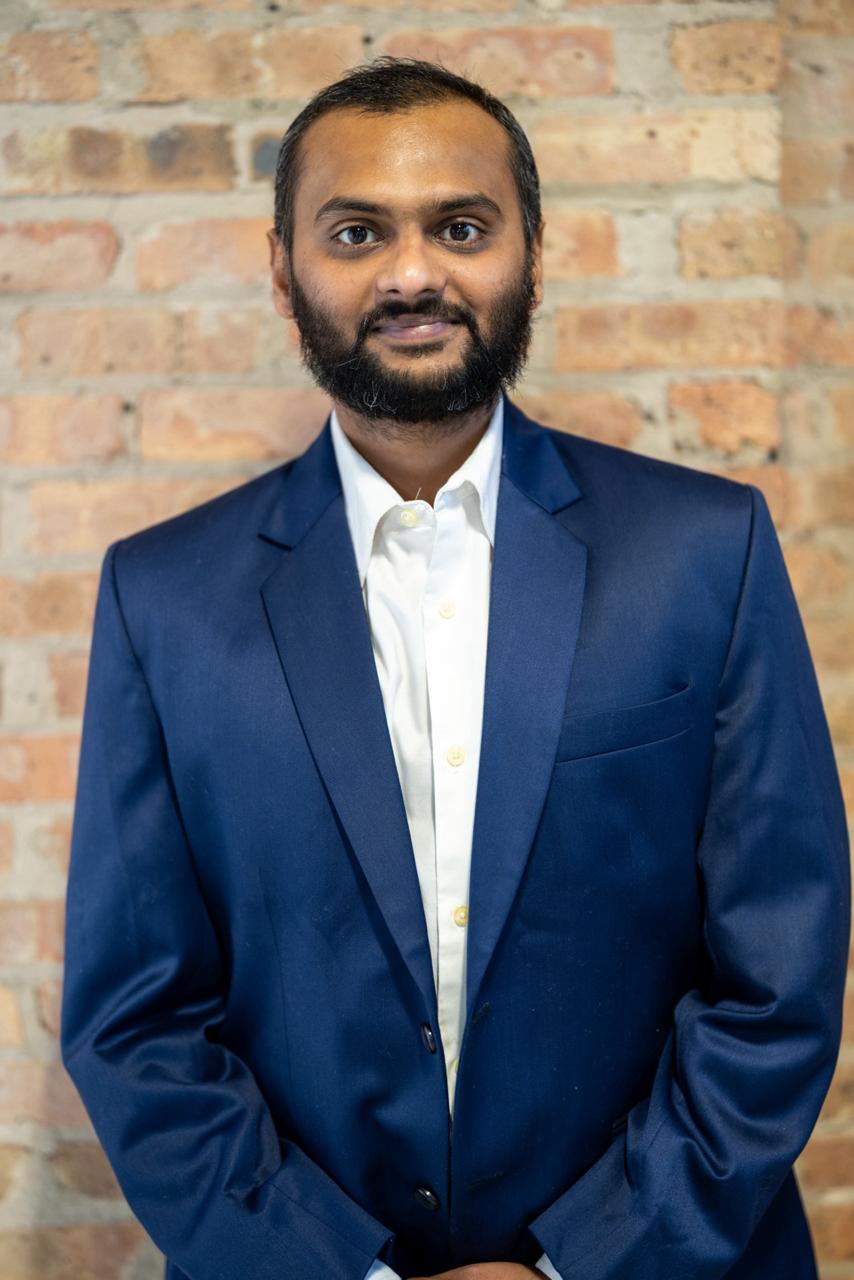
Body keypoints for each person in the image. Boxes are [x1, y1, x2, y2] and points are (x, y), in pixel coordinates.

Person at [61, 55, 850, 1280]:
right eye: (356, 232)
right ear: (282, 270)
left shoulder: (706, 550)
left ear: (532, 253)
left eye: (461, 227)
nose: (412, 272)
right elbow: (136, 1020)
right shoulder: (161, 598)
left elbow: (777, 977)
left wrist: (578, 1263)